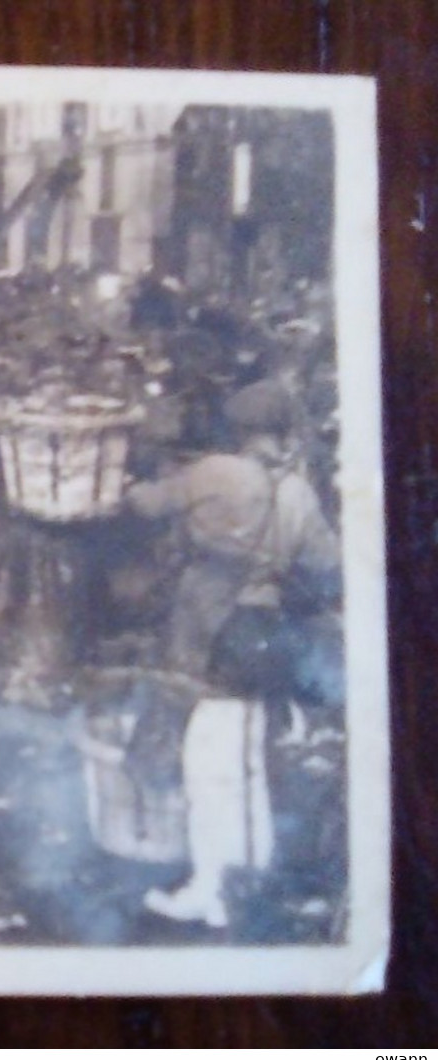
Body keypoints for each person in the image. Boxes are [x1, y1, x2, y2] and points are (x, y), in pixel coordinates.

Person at [126, 378, 339, 677]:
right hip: (264, 615)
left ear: (238, 428)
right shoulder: (299, 492)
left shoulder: (214, 470)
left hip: (203, 614)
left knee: (189, 692)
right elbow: (325, 562)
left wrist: (131, 483)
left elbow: (147, 505)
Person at [142, 605, 296, 929]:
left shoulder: (254, 615)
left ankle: (231, 893)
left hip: (236, 710)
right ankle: (209, 889)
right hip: (217, 707)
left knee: (231, 799)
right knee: (206, 800)